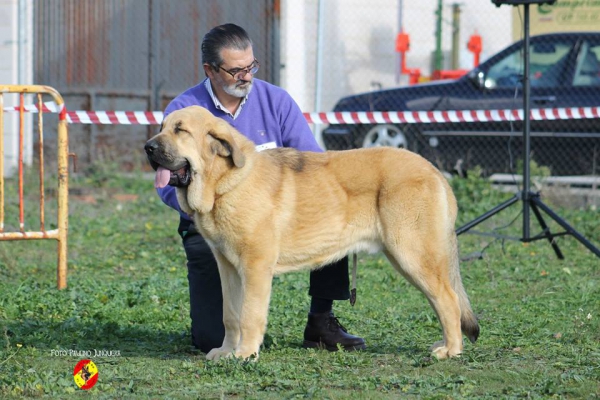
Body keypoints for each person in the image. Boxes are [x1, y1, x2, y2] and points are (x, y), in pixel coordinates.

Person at [156, 23, 365, 354]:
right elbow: (167, 178)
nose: (246, 76)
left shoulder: (276, 100)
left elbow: (314, 163)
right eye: (236, 70)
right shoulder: (185, 111)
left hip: (271, 214)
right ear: (210, 70)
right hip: (209, 225)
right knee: (210, 340)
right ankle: (232, 333)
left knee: (334, 210)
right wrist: (191, 206)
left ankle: (321, 321)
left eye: (250, 66)